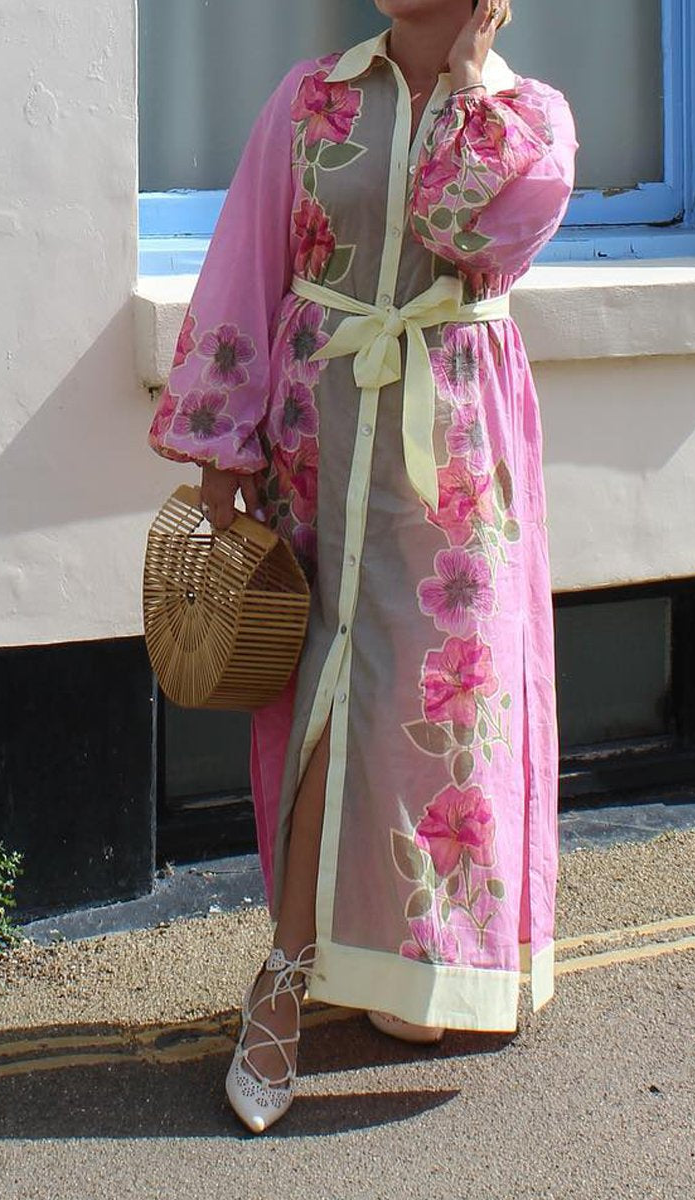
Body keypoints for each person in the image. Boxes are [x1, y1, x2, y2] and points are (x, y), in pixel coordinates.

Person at [148, 0, 578, 1134]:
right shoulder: (309, 97)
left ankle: (412, 968)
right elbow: (247, 261)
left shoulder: (532, 123)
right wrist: (220, 447)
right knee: (324, 703)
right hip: (315, 436)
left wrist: (473, 80)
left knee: (429, 717)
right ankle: (282, 984)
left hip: (454, 457)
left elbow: (463, 231)